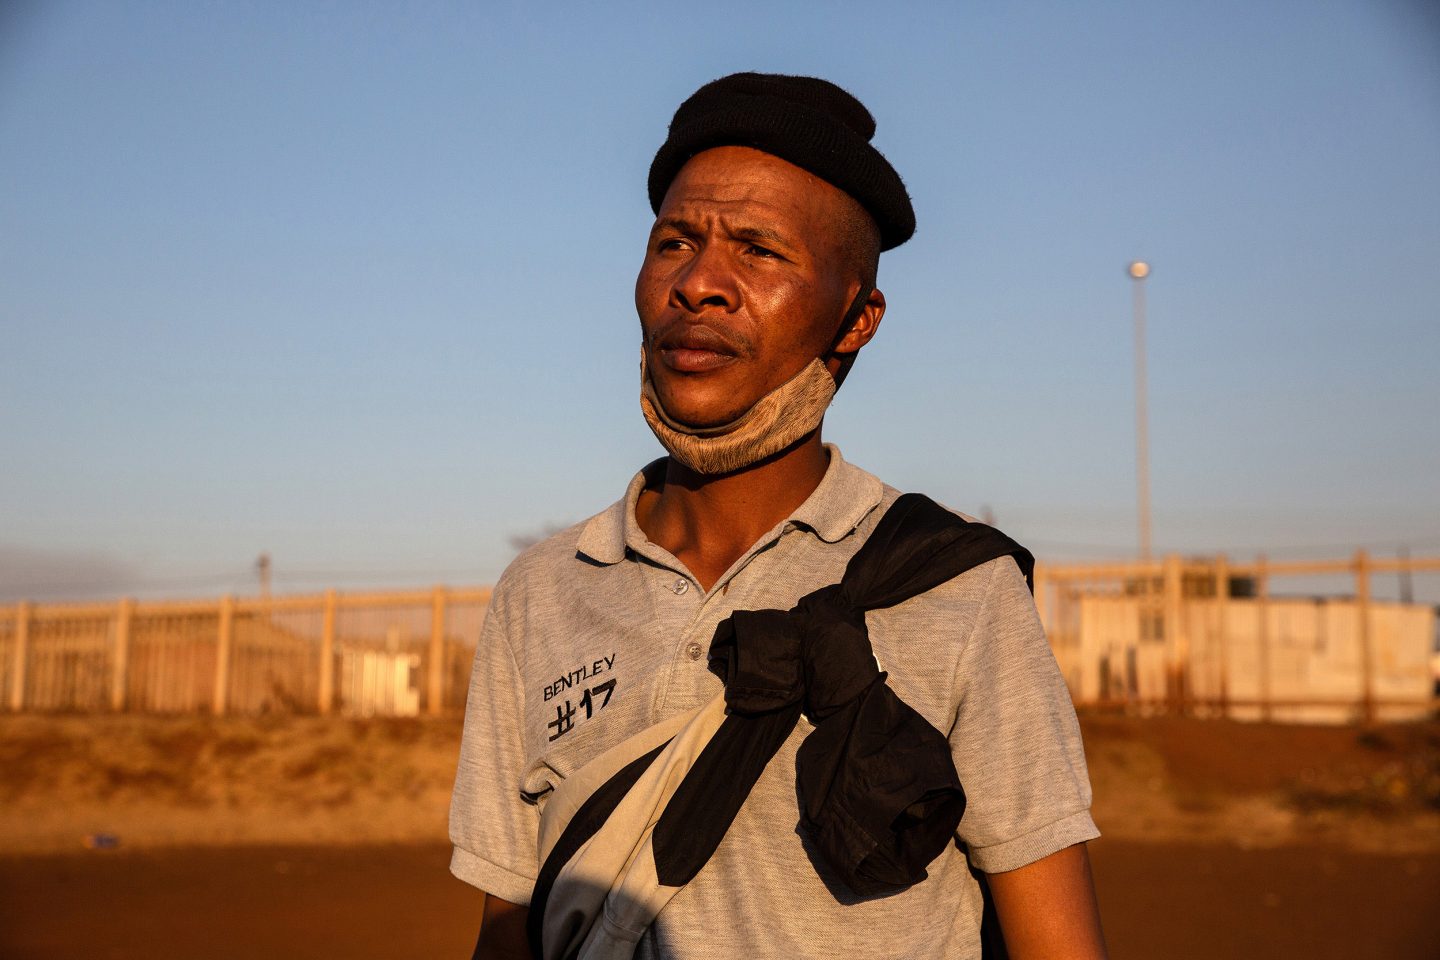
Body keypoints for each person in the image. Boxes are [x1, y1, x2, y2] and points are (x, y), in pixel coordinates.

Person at [450, 72, 1108, 960]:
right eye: (675, 242)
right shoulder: (544, 591)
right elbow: (506, 928)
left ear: (856, 317)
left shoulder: (960, 588)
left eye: (759, 252)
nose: (700, 284)